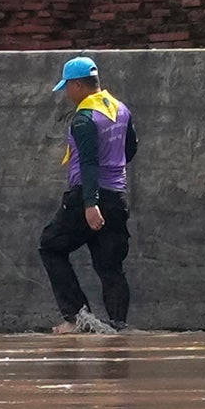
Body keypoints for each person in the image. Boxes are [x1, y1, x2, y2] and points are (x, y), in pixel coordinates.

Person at [37, 57, 134, 333]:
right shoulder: (120, 109)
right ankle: (118, 327)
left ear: (79, 85)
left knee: (51, 246)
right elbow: (131, 148)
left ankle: (75, 318)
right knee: (110, 265)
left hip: (87, 198)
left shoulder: (84, 119)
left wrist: (90, 204)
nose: (67, 93)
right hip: (117, 196)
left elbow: (89, 163)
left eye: (68, 87)